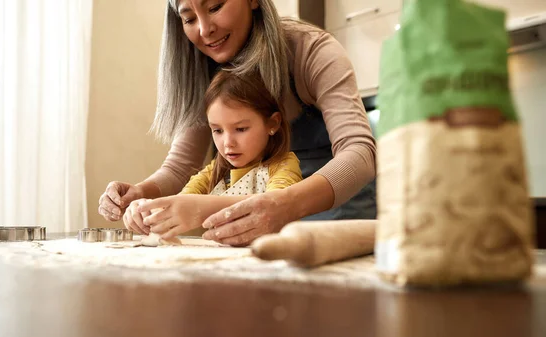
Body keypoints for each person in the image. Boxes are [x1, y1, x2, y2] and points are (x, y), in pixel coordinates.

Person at [98, 0, 377, 246]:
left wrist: (285, 204)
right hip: (258, 217)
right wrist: (141, 192)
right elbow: (180, 166)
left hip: (336, 208)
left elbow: (360, 153)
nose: (205, 30)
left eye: (215, 7)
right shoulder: (201, 70)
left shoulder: (310, 50)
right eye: (189, 18)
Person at [122, 70, 302, 240]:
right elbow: (180, 202)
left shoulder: (284, 165)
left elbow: (274, 203)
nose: (227, 142)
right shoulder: (213, 173)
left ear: (272, 124)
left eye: (240, 129)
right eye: (217, 130)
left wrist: (201, 208)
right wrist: (145, 210)